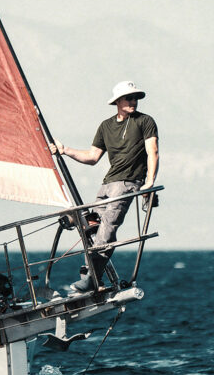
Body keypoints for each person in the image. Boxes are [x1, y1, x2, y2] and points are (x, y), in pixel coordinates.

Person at [50, 81, 159, 291]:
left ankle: (92, 277)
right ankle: (91, 272)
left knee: (108, 226)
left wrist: (149, 182)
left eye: (136, 98)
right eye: (129, 98)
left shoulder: (145, 121)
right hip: (107, 183)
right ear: (118, 101)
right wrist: (65, 150)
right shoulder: (106, 126)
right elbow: (92, 157)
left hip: (128, 183)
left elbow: (152, 151)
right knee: (91, 223)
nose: (133, 101)